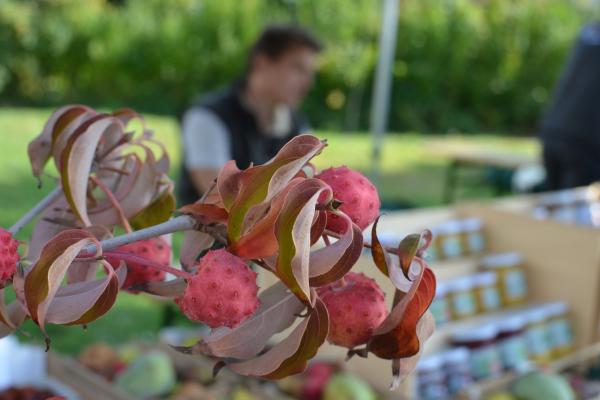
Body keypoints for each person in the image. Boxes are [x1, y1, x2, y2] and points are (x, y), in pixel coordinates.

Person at [178, 25, 322, 205]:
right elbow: (220, 199)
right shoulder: (208, 117)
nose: (308, 83)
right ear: (262, 62)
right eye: (297, 68)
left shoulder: (297, 124)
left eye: (309, 73)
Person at [539, 22, 600, 190]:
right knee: (573, 211)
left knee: (553, 205)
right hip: (586, 143)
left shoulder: (589, 32)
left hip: (554, 132)